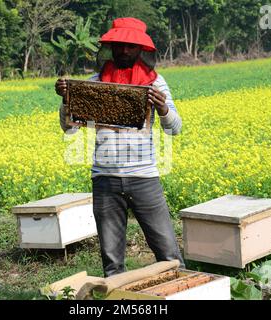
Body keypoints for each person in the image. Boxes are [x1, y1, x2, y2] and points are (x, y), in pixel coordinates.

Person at [55, 17, 184, 277]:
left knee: (169, 254)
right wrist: (67, 101)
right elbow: (70, 128)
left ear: (141, 50)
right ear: (111, 47)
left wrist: (163, 109)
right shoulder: (94, 82)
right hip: (104, 179)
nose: (124, 51)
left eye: (130, 46)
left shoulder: (155, 84)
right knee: (112, 264)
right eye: (119, 45)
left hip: (144, 178)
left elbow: (175, 128)